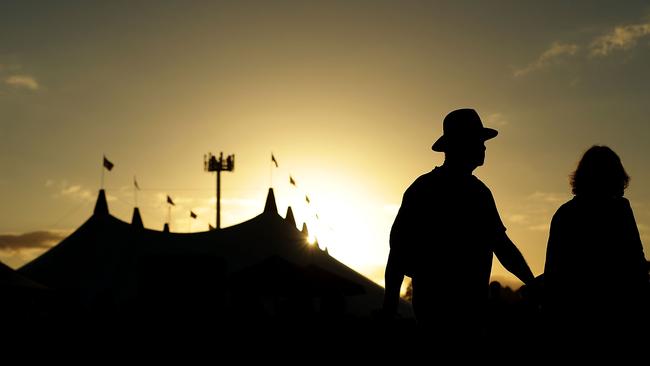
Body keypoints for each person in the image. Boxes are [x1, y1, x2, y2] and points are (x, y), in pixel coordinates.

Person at [382, 108, 535, 343]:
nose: (484, 147)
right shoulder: (470, 193)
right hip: (448, 318)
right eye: (478, 140)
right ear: (461, 144)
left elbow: (397, 254)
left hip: (454, 315)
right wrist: (533, 284)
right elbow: (398, 253)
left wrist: (389, 309)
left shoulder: (432, 189)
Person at [543, 145, 649, 347]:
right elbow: (637, 266)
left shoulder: (564, 213)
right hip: (617, 319)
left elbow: (554, 273)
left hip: (572, 321)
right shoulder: (620, 210)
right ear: (614, 178)